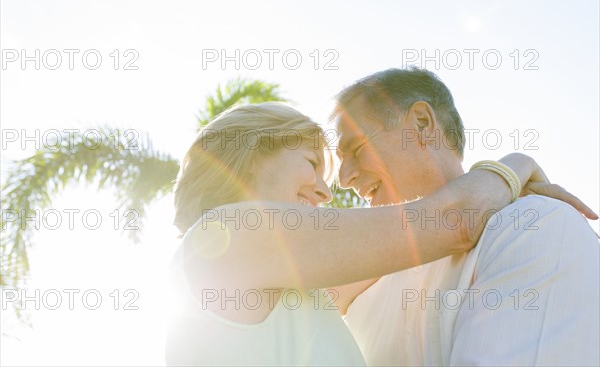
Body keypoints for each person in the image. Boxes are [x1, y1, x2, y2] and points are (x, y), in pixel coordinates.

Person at [164, 101, 590, 366]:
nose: (325, 189)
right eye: (312, 162)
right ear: (251, 151)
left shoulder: (283, 288)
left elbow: (409, 250)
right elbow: (453, 221)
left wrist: (499, 198)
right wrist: (516, 165)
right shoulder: (231, 235)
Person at [332, 67, 600, 366]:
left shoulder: (535, 226)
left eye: (356, 148)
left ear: (421, 124)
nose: (343, 179)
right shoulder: (363, 287)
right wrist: (511, 167)